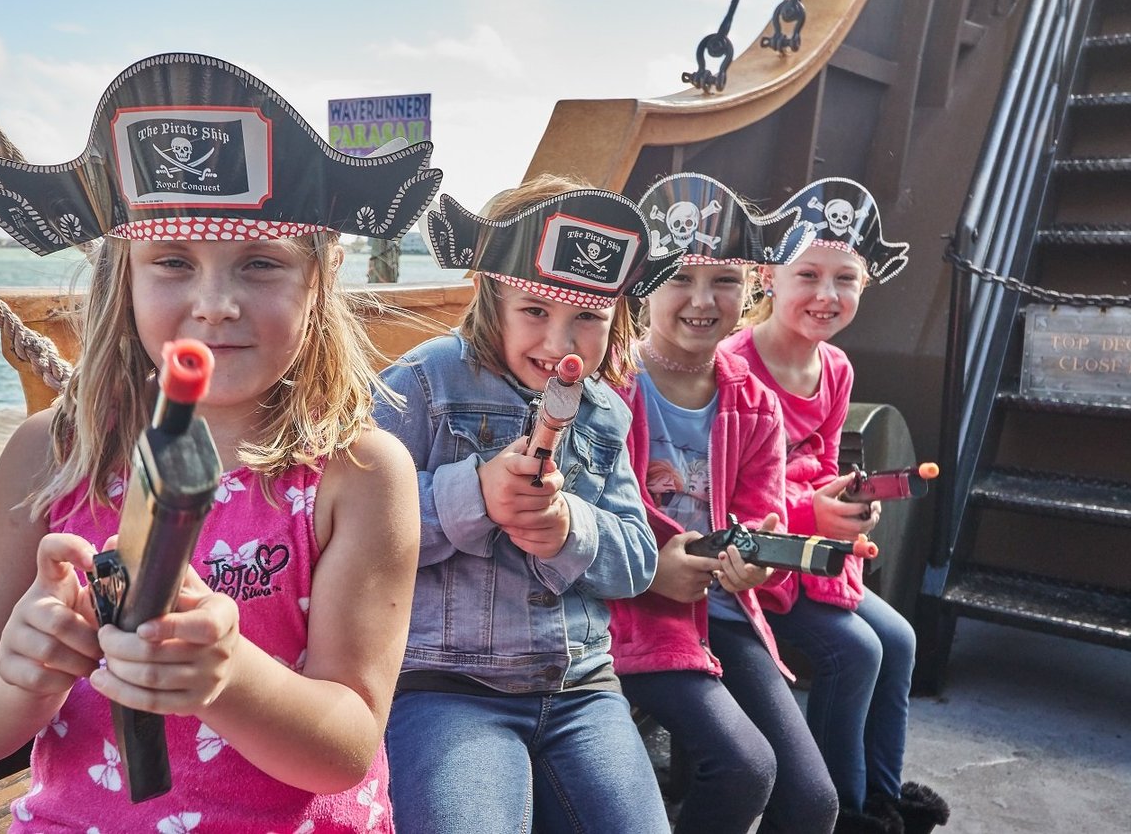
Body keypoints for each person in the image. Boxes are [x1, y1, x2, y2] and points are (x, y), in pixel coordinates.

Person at [0, 53, 440, 832]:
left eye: (261, 264)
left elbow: (346, 742)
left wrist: (227, 674)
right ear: (121, 278)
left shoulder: (363, 473)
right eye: (172, 262)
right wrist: (17, 679)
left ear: (319, 282)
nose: (215, 305)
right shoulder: (51, 454)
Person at [373, 174, 683, 833]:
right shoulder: (423, 382)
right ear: (491, 296)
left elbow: (636, 558)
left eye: (589, 319)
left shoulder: (604, 412)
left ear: (619, 318)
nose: (560, 345)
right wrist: (474, 495)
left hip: (581, 690)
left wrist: (574, 528)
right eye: (535, 310)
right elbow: (355, 532)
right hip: (445, 687)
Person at [609, 172, 838, 834]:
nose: (702, 300)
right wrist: (655, 568)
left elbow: (761, 519)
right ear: (642, 285)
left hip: (723, 614)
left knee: (812, 802)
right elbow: (585, 517)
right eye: (679, 278)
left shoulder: (756, 403)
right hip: (632, 614)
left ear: (754, 288)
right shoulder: (610, 387)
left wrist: (761, 565)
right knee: (742, 767)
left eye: (724, 281)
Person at [722, 177, 949, 834]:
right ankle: (841, 813)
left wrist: (850, 503)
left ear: (865, 284)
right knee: (856, 653)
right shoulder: (735, 366)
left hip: (815, 554)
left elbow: (821, 468)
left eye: (845, 279)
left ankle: (884, 800)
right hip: (756, 567)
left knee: (899, 639)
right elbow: (729, 496)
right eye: (808, 274)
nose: (826, 295)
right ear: (769, 274)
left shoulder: (837, 370)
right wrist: (808, 515)